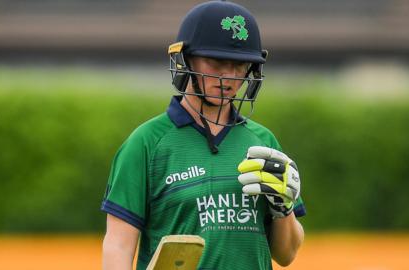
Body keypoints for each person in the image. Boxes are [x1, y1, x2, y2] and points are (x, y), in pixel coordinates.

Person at [101, 1, 306, 269]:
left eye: (240, 65)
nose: (229, 77)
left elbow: (286, 255)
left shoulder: (263, 143)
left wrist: (284, 209)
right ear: (185, 60)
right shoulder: (146, 143)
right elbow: (118, 244)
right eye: (217, 62)